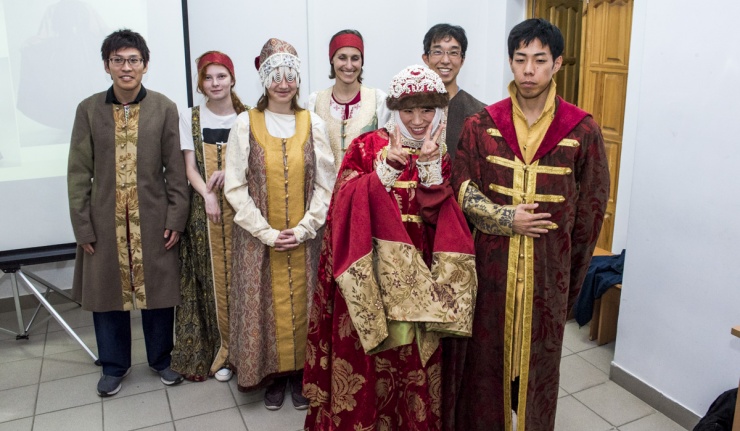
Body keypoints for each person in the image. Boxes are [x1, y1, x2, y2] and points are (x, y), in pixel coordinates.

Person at [445, 19, 610, 431]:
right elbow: (461, 187)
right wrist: (506, 219)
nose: (529, 70)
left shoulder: (582, 130)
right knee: (484, 366)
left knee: (539, 369)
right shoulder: (482, 124)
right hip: (490, 272)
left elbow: (591, 211)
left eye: (539, 60)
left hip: (548, 273)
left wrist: (569, 282)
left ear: (557, 64)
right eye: (520, 60)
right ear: (510, 62)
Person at [303, 64, 478, 431]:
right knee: (371, 364)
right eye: (408, 110)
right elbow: (340, 207)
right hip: (372, 279)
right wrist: (381, 175)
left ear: (438, 111)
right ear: (395, 109)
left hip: (419, 282)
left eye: (427, 109)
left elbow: (443, 223)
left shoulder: (441, 154)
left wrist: (431, 172)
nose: (418, 120)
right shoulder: (366, 146)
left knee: (411, 364)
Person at [67, 29, 189, 397]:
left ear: (145, 65)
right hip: (104, 221)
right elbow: (78, 172)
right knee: (107, 295)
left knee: (158, 292)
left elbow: (176, 171)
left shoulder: (164, 108)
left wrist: (176, 218)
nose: (126, 67)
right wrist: (83, 226)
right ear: (107, 65)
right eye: (117, 60)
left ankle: (162, 360)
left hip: (153, 218)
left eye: (133, 60)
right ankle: (114, 366)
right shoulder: (89, 109)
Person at [223, 38, 335, 410]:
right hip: (258, 240)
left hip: (306, 238)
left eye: (290, 76)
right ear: (264, 80)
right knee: (264, 307)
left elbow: (326, 183)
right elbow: (235, 185)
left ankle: (303, 374)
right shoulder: (245, 123)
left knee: (306, 305)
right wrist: (267, 232)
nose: (283, 84)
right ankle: (272, 376)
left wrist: (304, 228)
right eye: (275, 76)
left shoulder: (312, 122)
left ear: (298, 79)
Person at [170, 51, 249, 382]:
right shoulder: (190, 117)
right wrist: (208, 195)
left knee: (244, 279)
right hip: (207, 211)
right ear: (200, 83)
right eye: (208, 77)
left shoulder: (248, 116)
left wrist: (232, 178)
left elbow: (256, 162)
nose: (215, 83)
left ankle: (246, 353)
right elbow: (189, 167)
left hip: (244, 209)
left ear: (232, 79)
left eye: (221, 76)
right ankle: (220, 350)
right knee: (210, 279)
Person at [307, 29, 390, 169]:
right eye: (342, 57)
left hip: (366, 182)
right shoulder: (315, 101)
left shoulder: (379, 100)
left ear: (362, 61)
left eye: (355, 58)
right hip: (326, 183)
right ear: (332, 59)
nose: (349, 65)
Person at [422, 23, 486, 160]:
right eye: (437, 52)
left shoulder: (479, 113)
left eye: (453, 53)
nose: (445, 60)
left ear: (462, 60)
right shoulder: (409, 108)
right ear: (426, 58)